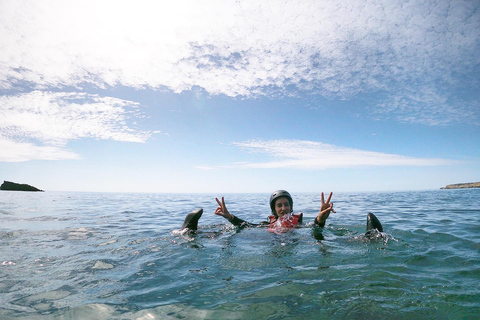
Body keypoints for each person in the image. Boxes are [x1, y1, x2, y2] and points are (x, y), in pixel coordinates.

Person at [214, 190, 335, 230]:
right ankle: (194, 231)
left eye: (286, 204)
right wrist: (229, 217)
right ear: (274, 209)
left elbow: (315, 227)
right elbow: (246, 226)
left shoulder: (299, 226)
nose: (284, 208)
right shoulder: (267, 226)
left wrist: (321, 218)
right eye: (279, 205)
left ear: (291, 207)